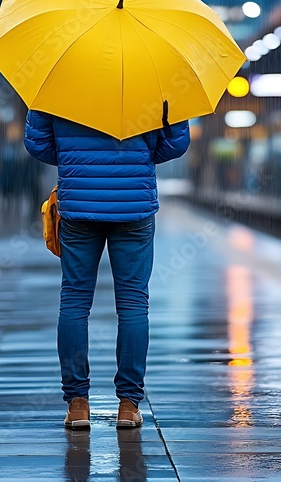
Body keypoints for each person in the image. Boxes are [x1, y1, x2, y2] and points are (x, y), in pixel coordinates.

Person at [24, 107, 190, 430]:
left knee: (74, 301)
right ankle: (128, 405)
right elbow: (175, 143)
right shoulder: (153, 81)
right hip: (134, 205)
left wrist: (75, 161)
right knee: (133, 303)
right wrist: (141, 155)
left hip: (78, 204)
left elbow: (37, 143)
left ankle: (77, 404)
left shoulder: (59, 80)